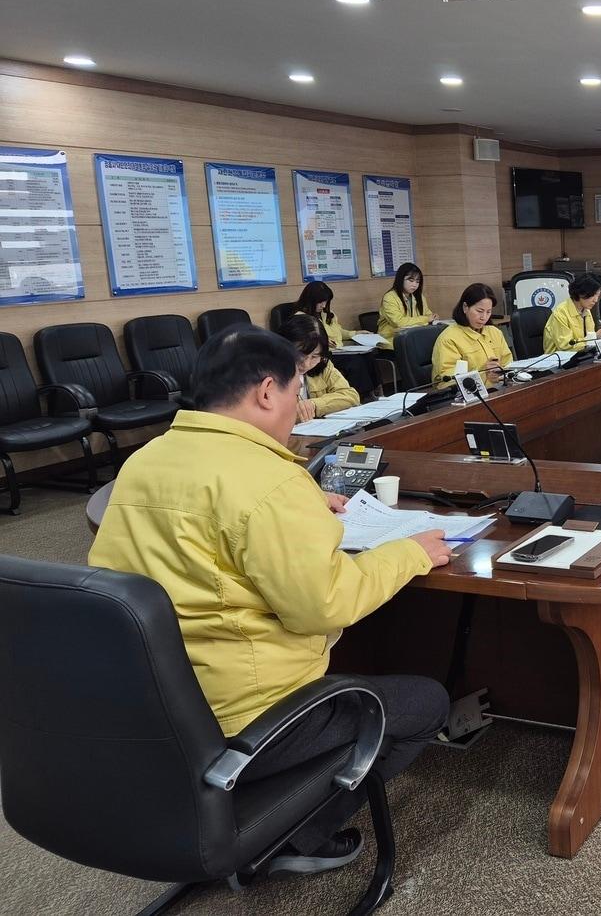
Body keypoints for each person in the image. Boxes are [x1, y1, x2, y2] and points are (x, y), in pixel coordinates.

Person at [88, 325, 451, 875]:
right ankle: (295, 837)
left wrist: (300, 504)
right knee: (426, 703)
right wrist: (410, 553)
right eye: (296, 392)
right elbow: (325, 605)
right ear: (265, 392)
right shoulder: (269, 482)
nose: (298, 409)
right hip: (246, 716)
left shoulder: (144, 461)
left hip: (156, 706)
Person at [280, 314, 360, 420]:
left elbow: (351, 396)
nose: (306, 364)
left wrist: (314, 405)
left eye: (314, 356)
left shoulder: (323, 365)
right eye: (300, 355)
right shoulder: (269, 373)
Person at [433, 283, 513, 386]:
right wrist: (485, 374)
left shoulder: (495, 332)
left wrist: (501, 375)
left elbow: (509, 366)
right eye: (479, 311)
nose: (484, 317)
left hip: (501, 390)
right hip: (473, 395)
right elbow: (446, 383)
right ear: (465, 307)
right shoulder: (449, 339)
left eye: (488, 312)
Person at [542, 273, 601, 354]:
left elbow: (589, 340)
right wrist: (595, 336)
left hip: (581, 355)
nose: (595, 300)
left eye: (598, 296)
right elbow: (566, 346)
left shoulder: (586, 310)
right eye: (593, 295)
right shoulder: (560, 313)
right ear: (581, 293)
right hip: (558, 359)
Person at [378, 262, 435, 339]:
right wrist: (426, 319)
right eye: (411, 280)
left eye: (417, 281)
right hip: (392, 340)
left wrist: (433, 317)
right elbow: (399, 323)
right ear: (401, 279)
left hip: (413, 337)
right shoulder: (389, 297)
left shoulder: (419, 296)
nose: (414, 285)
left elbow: (428, 314)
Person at [295, 280, 354, 348]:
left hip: (339, 350)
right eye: (320, 302)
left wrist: (355, 334)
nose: (324, 306)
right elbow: (302, 343)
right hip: (322, 353)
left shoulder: (327, 313)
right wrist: (321, 341)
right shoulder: (301, 318)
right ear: (310, 300)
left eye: (326, 301)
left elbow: (338, 332)